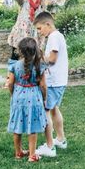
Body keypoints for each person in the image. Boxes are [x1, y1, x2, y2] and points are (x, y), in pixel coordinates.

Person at [7, 0, 75, 58]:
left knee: (33, 57)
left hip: (35, 33)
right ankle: (12, 71)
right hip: (22, 33)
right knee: (15, 56)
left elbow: (56, 0)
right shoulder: (24, 1)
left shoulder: (43, 2)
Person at [34, 11, 69, 158]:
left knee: (46, 111)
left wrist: (39, 58)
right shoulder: (58, 36)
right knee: (54, 109)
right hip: (59, 80)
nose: (39, 32)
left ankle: (49, 147)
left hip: (53, 82)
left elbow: (52, 59)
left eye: (40, 28)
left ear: (48, 24)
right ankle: (60, 139)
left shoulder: (54, 37)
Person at [7, 37, 48, 162]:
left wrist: (13, 94)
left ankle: (18, 153)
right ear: (35, 50)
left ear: (20, 51)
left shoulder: (14, 65)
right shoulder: (39, 65)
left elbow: (10, 83)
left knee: (17, 126)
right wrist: (44, 97)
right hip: (34, 98)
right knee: (33, 126)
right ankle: (32, 155)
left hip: (18, 97)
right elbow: (43, 85)